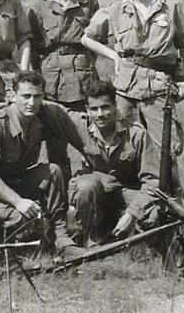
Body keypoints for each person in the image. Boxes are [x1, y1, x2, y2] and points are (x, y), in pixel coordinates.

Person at [0, 70, 90, 258]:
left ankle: (61, 239)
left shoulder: (41, 116)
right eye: (25, 96)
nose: (31, 103)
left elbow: (76, 125)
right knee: (18, 219)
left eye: (37, 96)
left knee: (54, 172)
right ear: (12, 96)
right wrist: (18, 202)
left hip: (13, 181)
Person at [81, 0, 184, 161]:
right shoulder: (115, 9)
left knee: (164, 147)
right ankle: (131, 192)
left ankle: (168, 193)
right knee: (125, 146)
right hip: (126, 87)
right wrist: (114, 56)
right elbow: (87, 38)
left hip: (159, 85)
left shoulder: (170, 5)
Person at [68, 80, 161, 247]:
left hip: (128, 194)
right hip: (99, 193)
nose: (100, 114)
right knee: (84, 186)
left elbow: (153, 181)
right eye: (94, 109)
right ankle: (92, 237)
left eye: (105, 107)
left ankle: (130, 237)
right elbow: (51, 111)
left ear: (115, 106)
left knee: (154, 215)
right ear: (87, 110)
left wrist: (132, 214)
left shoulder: (136, 134)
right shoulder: (80, 126)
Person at [27, 0, 100, 112]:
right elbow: (33, 49)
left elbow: (97, 42)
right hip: (51, 76)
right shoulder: (37, 6)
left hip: (82, 74)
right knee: (53, 127)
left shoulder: (88, 1)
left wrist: (85, 62)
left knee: (85, 126)